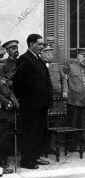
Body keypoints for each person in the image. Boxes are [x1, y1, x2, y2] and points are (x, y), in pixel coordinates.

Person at [13, 34, 53, 169]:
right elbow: (18, 83)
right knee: (29, 132)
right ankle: (26, 161)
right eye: (40, 44)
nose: (42, 46)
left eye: (42, 44)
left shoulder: (38, 59)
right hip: (30, 105)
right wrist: (26, 101)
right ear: (31, 44)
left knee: (38, 132)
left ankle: (35, 157)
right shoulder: (24, 59)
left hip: (41, 104)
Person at [63, 48, 85, 152]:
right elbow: (64, 78)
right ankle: (72, 145)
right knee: (73, 122)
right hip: (75, 100)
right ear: (78, 55)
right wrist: (65, 90)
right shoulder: (70, 65)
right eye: (83, 55)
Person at [40, 45, 68, 154]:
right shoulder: (39, 65)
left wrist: (65, 90)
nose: (49, 54)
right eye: (46, 52)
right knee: (44, 123)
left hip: (58, 99)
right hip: (45, 98)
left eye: (50, 52)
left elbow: (63, 79)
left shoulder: (56, 65)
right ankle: (43, 147)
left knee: (56, 122)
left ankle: (53, 146)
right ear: (41, 53)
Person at [0, 40, 20, 174]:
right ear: (7, 51)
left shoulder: (22, 62)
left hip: (13, 100)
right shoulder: (4, 65)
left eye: (16, 47)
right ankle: (3, 164)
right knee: (3, 135)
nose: (15, 50)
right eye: (12, 48)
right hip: (5, 102)